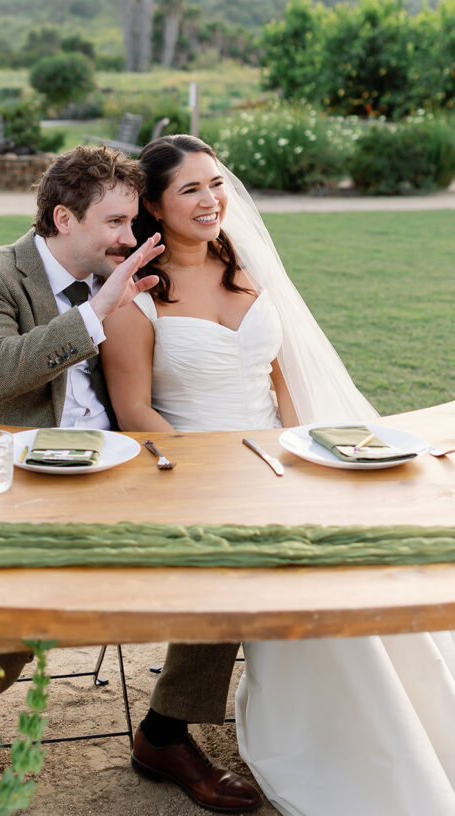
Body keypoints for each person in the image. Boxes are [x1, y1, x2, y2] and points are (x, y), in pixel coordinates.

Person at [101, 135, 455, 816]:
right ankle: (190, 737)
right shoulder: (135, 296)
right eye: (190, 190)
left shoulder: (246, 269)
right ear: (152, 203)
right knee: (289, 566)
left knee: (353, 555)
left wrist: (306, 456)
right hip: (193, 475)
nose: (210, 202)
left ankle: (410, 727)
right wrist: (220, 476)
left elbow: (278, 379)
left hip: (281, 462)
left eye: (215, 185)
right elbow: (135, 410)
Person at [0, 143, 261, 815]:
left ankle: (165, 732)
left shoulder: (121, 270)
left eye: (131, 222)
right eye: (116, 224)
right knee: (18, 619)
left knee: (227, 556)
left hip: (124, 469)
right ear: (64, 218)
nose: (130, 236)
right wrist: (96, 312)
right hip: (27, 480)